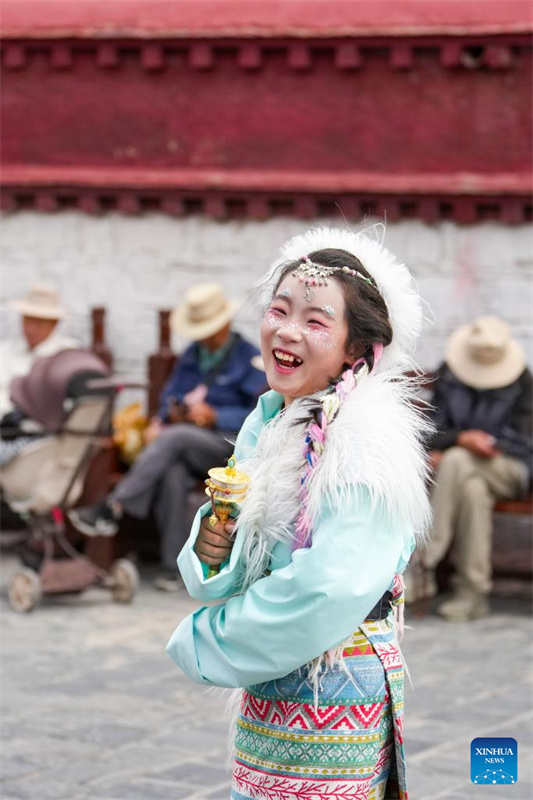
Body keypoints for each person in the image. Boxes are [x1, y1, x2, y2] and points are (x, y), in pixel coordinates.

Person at [166, 227, 431, 799]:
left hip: (331, 682)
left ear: (356, 349)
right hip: (274, 683)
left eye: (315, 321)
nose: (287, 331)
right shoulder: (273, 420)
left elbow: (328, 588)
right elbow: (243, 558)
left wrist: (207, 639)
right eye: (279, 310)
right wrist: (216, 544)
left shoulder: (365, 443)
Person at [69, 283, 266, 592]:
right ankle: (175, 568)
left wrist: (214, 415)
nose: (205, 337)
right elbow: (167, 399)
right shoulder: (191, 356)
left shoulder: (250, 358)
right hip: (185, 442)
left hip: (228, 446)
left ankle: (114, 506)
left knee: (176, 439)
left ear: (225, 323)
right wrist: (172, 414)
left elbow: (259, 414)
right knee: (173, 472)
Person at [421, 316, 532, 622]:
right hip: (463, 473)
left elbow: (524, 441)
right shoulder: (450, 374)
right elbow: (431, 430)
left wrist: (482, 445)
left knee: (457, 461)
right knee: (472, 491)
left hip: (509, 467)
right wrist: (460, 440)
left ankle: (424, 558)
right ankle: (472, 593)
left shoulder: (522, 381)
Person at [1, 285, 78, 420]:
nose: (31, 329)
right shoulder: (4, 351)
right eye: (27, 321)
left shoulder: (69, 356)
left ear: (54, 324)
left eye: (39, 324)